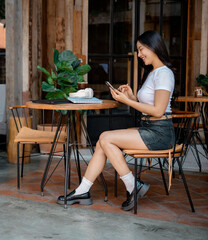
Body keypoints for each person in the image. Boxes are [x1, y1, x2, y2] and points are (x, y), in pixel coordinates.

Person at [57, 30, 175, 211]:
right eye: (138, 50)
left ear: (154, 47)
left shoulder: (164, 74)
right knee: (102, 143)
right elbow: (151, 106)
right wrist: (132, 97)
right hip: (150, 128)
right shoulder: (153, 73)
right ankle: (83, 190)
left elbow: (158, 111)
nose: (139, 54)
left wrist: (127, 102)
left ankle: (131, 186)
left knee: (105, 138)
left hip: (160, 133)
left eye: (142, 49)